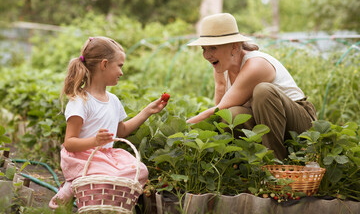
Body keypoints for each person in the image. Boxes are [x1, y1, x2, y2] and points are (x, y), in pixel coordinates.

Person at [49, 36, 168, 209]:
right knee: (110, 174)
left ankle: (104, 202)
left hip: (105, 157)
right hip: (84, 158)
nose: (122, 72)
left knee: (140, 171)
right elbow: (69, 143)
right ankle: (72, 185)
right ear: (104, 64)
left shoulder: (113, 100)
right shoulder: (80, 101)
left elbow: (122, 131)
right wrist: (95, 142)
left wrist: (147, 111)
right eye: (119, 66)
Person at [186, 13, 317, 160]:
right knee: (232, 115)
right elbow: (221, 113)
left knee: (262, 91)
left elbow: (219, 108)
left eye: (213, 48)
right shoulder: (221, 68)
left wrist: (185, 128)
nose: (207, 55)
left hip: (300, 124)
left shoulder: (256, 65)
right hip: (269, 127)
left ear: (235, 47)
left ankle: (275, 165)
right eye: (204, 49)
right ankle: (248, 165)